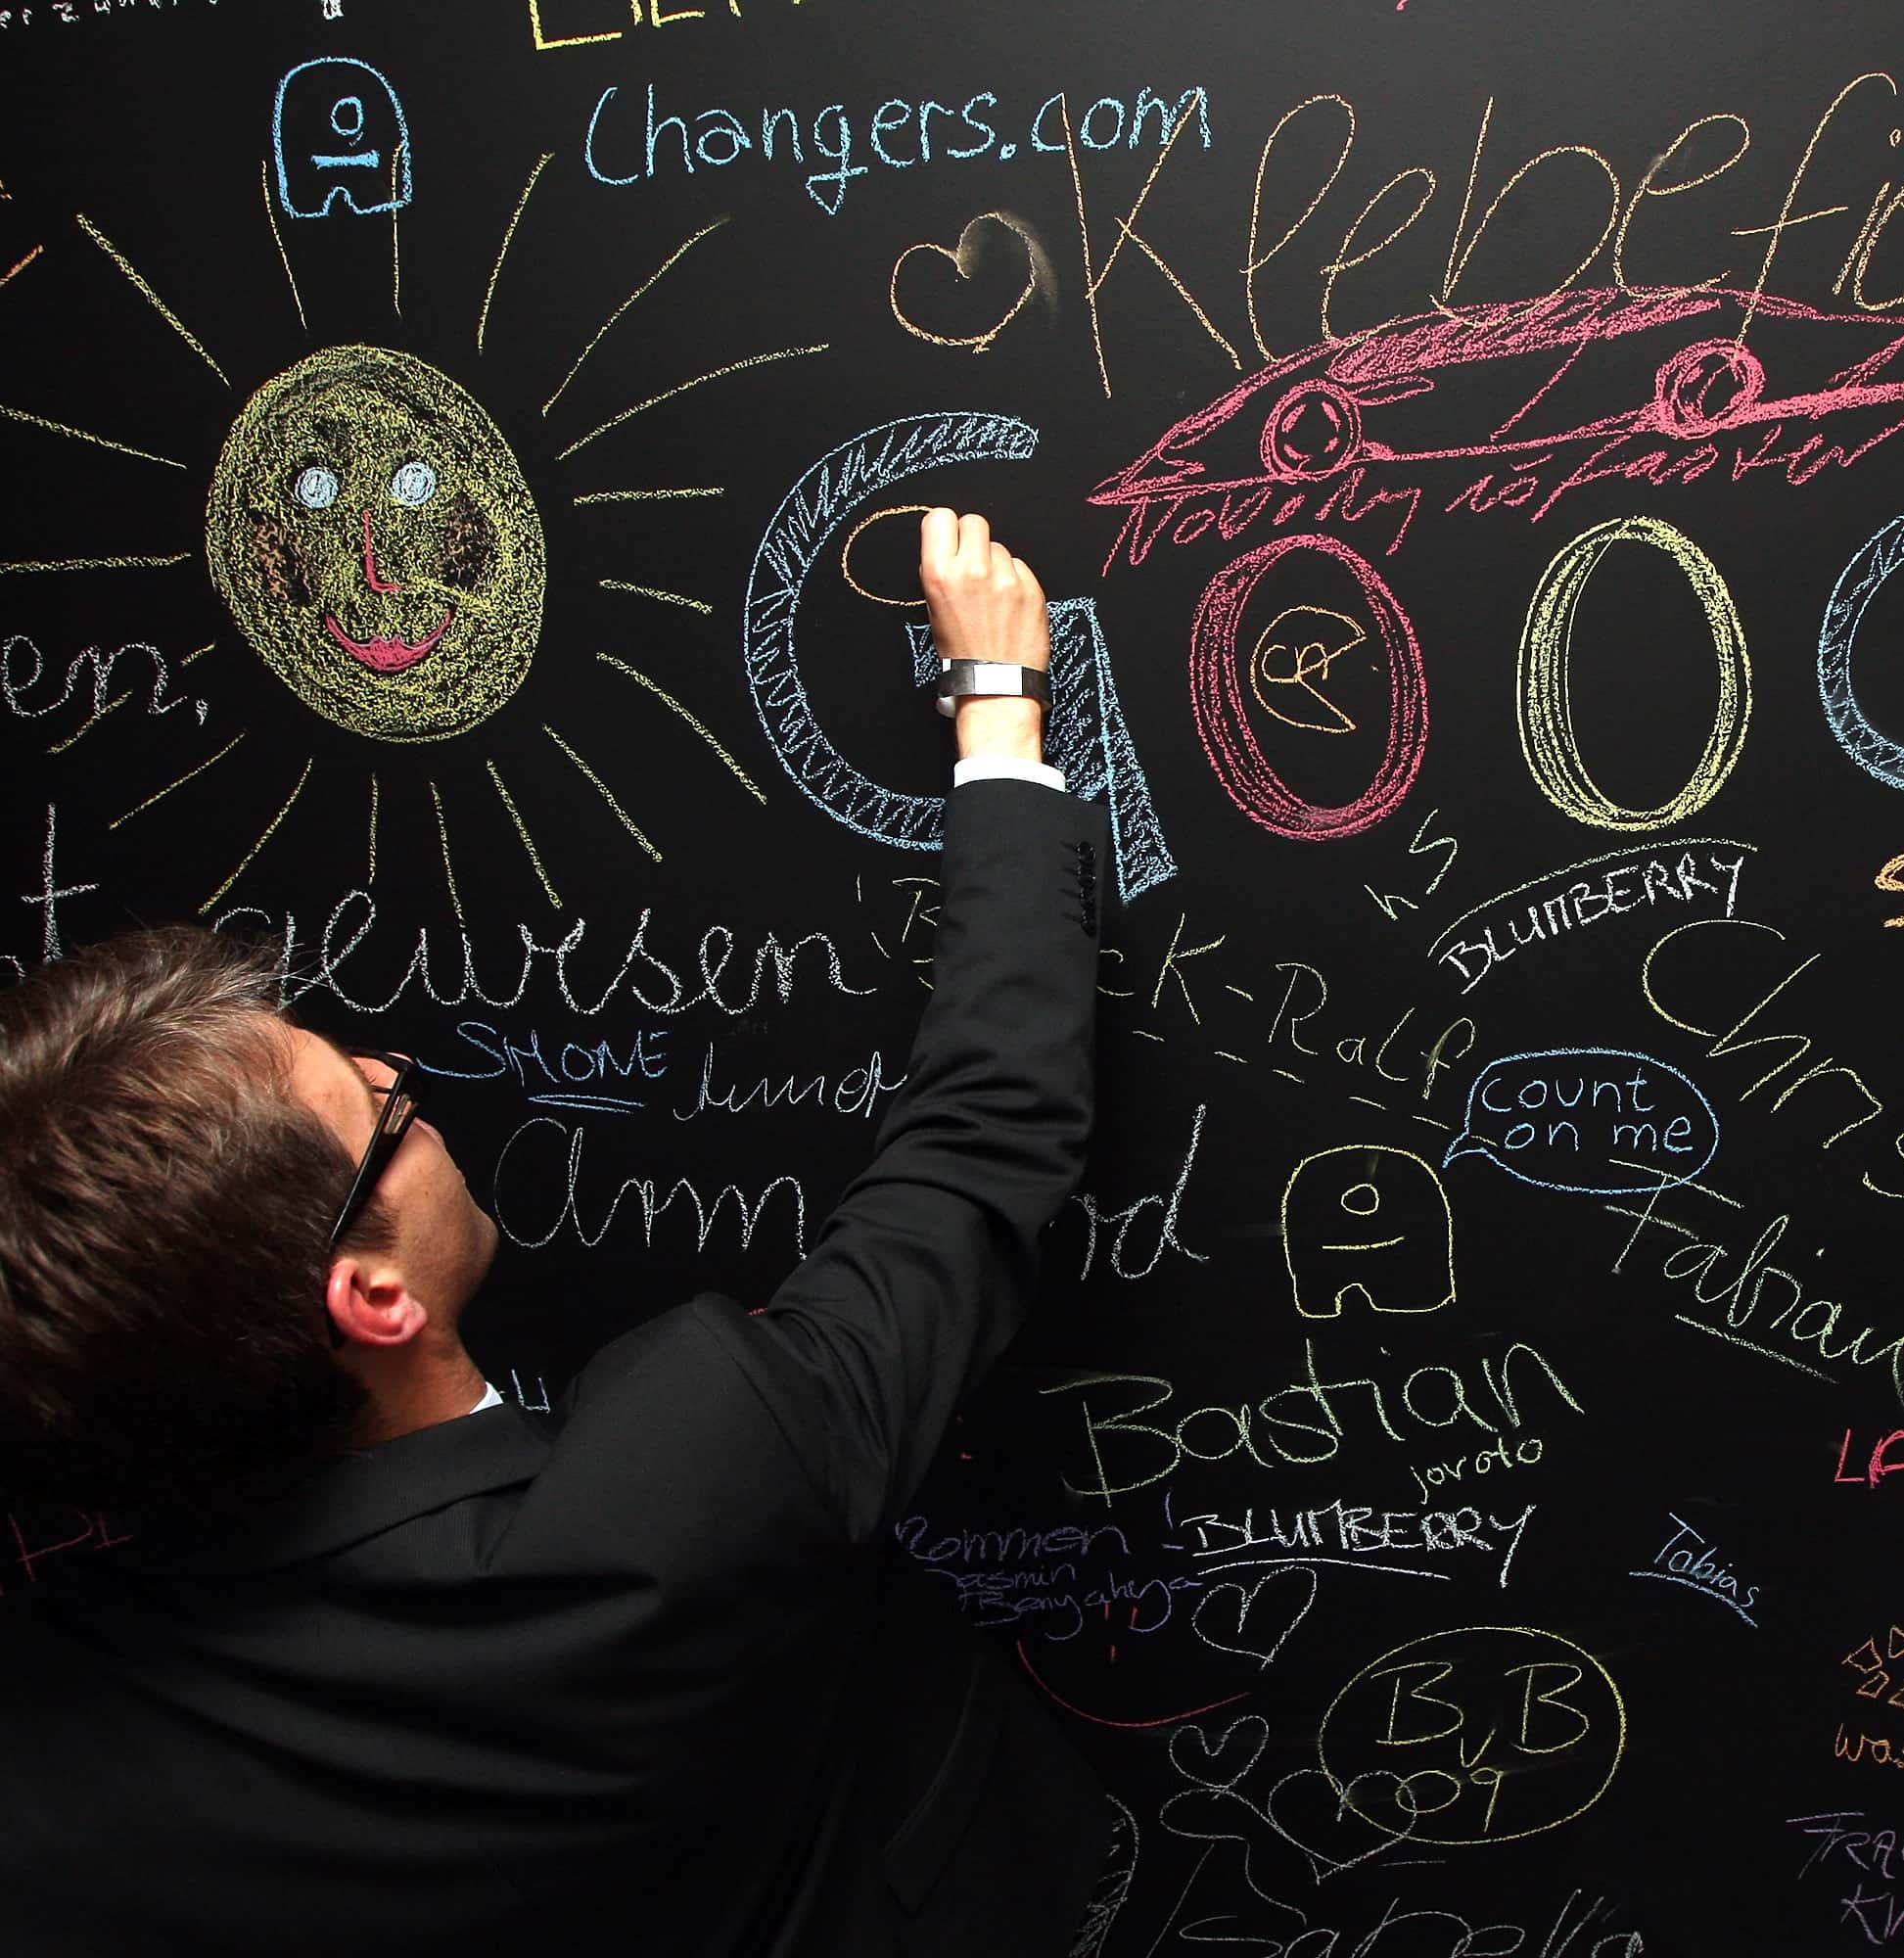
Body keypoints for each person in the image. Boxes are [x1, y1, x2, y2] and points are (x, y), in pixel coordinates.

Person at [0, 511, 1113, 1955]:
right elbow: (977, 1150)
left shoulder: (52, 1742)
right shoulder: (685, 1487)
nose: (399, 1073)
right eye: (370, 1112)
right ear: (370, 1296)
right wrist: (999, 710)